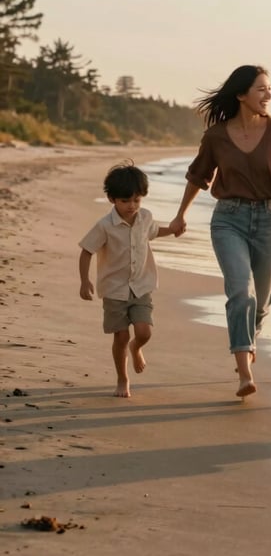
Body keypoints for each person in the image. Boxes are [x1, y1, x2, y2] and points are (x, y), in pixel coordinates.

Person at [167, 65, 271, 400]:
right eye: (261, 89)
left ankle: (249, 335)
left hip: (269, 220)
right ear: (242, 94)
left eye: (269, 89)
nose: (268, 95)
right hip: (228, 219)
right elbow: (198, 176)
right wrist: (180, 215)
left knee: (261, 298)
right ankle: (244, 370)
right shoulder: (216, 136)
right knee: (240, 292)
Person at [78, 161, 179, 398]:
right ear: (112, 199)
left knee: (144, 332)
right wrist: (84, 281)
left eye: (136, 200)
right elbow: (86, 251)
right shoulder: (104, 226)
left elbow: (154, 232)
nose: (132, 206)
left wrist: (173, 229)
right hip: (114, 290)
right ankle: (122, 378)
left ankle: (137, 348)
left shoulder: (145, 217)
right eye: (125, 201)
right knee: (121, 336)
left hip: (141, 286)